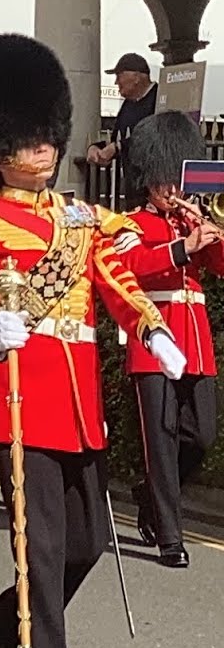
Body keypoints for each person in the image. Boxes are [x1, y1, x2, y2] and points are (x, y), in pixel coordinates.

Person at [0, 34, 185, 648]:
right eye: (25, 138)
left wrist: (152, 329)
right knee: (40, 563)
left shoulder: (80, 220)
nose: (41, 149)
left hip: (77, 404)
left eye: (46, 135)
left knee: (85, 548)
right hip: (18, 401)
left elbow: (114, 278)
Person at [115, 110, 223, 569]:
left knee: (201, 435)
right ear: (147, 178)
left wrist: (208, 233)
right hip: (153, 338)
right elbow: (131, 267)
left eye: (175, 178)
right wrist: (183, 248)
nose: (171, 190)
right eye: (163, 180)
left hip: (194, 341)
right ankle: (169, 536)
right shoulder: (130, 224)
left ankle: (150, 495)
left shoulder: (190, 221)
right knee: (160, 439)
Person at [86, 53, 158, 169]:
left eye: (119, 76)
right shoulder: (128, 104)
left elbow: (155, 137)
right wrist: (95, 148)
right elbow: (115, 139)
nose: (116, 82)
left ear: (136, 77)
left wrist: (119, 147)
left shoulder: (159, 98)